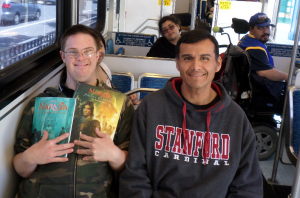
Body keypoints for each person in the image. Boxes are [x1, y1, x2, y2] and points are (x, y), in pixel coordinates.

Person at [119, 29, 263, 197]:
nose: (196, 66)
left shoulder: (236, 118)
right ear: (177, 63)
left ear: (218, 64)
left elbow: (248, 187)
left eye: (204, 58)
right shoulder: (150, 108)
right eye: (188, 58)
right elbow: (134, 176)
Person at [13, 24, 134, 197]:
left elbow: (130, 168)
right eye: (72, 51)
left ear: (98, 55)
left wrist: (114, 154)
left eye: (88, 51)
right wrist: (30, 157)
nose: (80, 57)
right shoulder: (39, 103)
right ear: (63, 56)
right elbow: (20, 168)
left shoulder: (119, 103)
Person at [238, 12, 288, 103]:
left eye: (267, 27)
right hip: (264, 90)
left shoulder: (247, 39)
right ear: (251, 30)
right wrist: (287, 76)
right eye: (260, 28)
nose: (266, 32)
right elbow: (266, 72)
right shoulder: (255, 48)